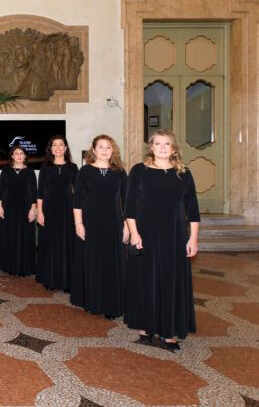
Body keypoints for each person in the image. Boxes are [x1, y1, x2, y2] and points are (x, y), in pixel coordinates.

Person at [124, 130, 200, 351]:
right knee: (145, 278)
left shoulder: (184, 173)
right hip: (145, 231)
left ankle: (169, 332)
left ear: (174, 148)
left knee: (171, 279)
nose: (163, 147)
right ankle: (145, 328)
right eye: (158, 143)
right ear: (151, 147)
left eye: (167, 144)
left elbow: (192, 209)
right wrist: (134, 232)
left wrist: (193, 238)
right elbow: (129, 206)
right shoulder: (139, 171)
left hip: (175, 234)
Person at [70, 135, 128, 318]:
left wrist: (127, 226)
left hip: (113, 222)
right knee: (92, 260)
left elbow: (127, 202)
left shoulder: (120, 172)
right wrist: (78, 223)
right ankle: (93, 300)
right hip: (90, 221)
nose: (104, 150)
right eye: (100, 147)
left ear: (113, 151)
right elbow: (77, 199)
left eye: (108, 147)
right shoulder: (85, 171)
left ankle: (112, 303)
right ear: (93, 150)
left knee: (112, 262)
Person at [35, 135, 79, 291]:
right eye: (55, 145)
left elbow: (79, 192)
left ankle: (67, 280)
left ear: (65, 148)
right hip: (49, 210)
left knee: (67, 243)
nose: (58, 148)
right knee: (50, 243)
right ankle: (50, 278)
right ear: (51, 149)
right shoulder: (45, 167)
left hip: (68, 210)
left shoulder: (73, 168)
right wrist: (39, 212)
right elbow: (40, 192)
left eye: (61, 145)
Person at [0, 145, 37, 276]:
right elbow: (1, 190)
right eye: (16, 153)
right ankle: (9, 265)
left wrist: (33, 210)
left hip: (25, 208)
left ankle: (25, 266)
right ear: (12, 156)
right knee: (9, 236)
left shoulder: (30, 172)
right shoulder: (6, 171)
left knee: (24, 237)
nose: (19, 155)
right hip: (8, 208)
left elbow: (34, 193)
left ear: (25, 156)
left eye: (21, 153)